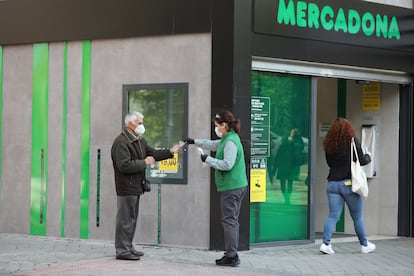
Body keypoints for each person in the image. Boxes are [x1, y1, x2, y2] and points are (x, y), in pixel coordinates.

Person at [111, 111, 182, 260]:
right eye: (139, 123)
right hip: (126, 187)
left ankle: (128, 247)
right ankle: (122, 251)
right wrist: (145, 162)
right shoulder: (121, 142)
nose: (142, 126)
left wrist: (170, 152)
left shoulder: (139, 140)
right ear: (130, 124)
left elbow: (153, 153)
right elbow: (124, 166)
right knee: (125, 220)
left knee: (132, 219)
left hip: (137, 186)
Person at [184, 110, 248, 267]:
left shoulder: (231, 142)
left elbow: (227, 164)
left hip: (231, 187)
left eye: (217, 125)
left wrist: (208, 159)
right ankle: (231, 253)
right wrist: (194, 141)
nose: (216, 128)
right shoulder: (228, 139)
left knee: (229, 221)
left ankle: (232, 256)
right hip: (235, 186)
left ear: (224, 125)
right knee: (232, 221)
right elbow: (212, 144)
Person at [320, 118, 375, 255]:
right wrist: (368, 156)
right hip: (348, 183)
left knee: (333, 215)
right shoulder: (352, 142)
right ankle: (364, 245)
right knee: (357, 216)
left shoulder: (329, 144)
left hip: (332, 183)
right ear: (349, 129)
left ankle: (325, 244)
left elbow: (330, 164)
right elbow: (362, 161)